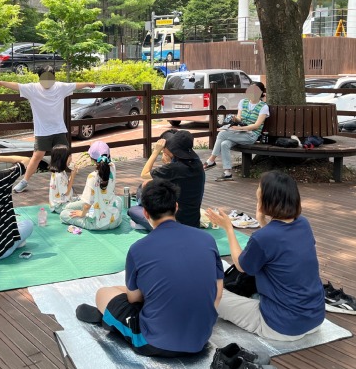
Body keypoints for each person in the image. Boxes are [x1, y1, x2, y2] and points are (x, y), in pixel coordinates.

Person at [75, 179, 224, 357]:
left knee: (103, 293)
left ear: (145, 213)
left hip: (154, 342)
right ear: (176, 207)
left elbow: (134, 298)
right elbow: (218, 293)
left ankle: (109, 319)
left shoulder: (139, 248)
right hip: (200, 338)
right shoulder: (207, 240)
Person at [206, 171, 324, 341]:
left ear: (265, 201)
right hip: (315, 318)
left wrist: (228, 228)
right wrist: (263, 222)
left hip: (281, 326)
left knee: (209, 292)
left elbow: (241, 265)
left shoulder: (263, 237)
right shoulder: (303, 223)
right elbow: (280, 246)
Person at [0, 67, 94, 193]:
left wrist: (88, 84)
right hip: (43, 131)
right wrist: (1, 83)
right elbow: (17, 86)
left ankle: (63, 181)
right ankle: (24, 181)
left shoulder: (60, 87)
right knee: (37, 156)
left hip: (59, 129)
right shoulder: (32, 88)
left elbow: (75, 85)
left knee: (66, 155)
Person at [130, 129, 204, 230]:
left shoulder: (174, 168)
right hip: (193, 222)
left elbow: (144, 174)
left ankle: (142, 207)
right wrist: (168, 164)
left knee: (133, 210)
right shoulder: (198, 164)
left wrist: (156, 151)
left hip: (173, 225)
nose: (164, 149)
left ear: (174, 149)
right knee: (146, 186)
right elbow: (178, 180)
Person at [204, 82, 269, 181]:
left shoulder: (264, 107)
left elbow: (256, 125)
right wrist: (235, 119)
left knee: (222, 134)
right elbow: (239, 118)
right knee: (225, 144)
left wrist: (240, 128)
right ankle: (227, 172)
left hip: (251, 135)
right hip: (240, 133)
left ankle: (211, 160)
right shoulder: (243, 102)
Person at [60, 141, 122, 231]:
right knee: (118, 199)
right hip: (116, 220)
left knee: (64, 213)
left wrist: (82, 214)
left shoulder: (92, 177)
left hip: (98, 224)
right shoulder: (113, 167)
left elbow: (87, 205)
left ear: (92, 159)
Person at [49, 144, 78, 214]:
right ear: (63, 159)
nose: (71, 158)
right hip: (61, 206)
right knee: (83, 203)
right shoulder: (59, 175)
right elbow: (66, 192)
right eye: (69, 156)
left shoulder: (60, 172)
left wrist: (72, 174)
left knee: (82, 198)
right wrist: (73, 176)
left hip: (62, 202)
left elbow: (66, 185)